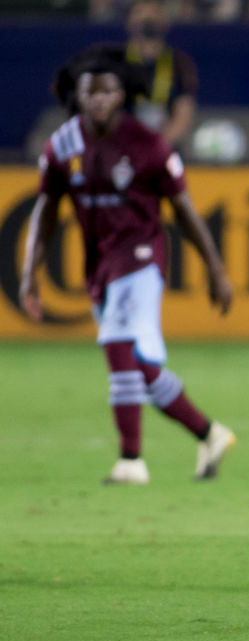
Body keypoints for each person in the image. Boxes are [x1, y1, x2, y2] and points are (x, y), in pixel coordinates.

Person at [19, 44, 235, 485]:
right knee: (138, 368)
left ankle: (131, 461)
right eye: (91, 92)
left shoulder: (148, 144)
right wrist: (29, 273)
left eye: (108, 91)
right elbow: (46, 210)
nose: (99, 100)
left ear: (123, 95)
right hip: (99, 264)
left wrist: (214, 268)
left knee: (117, 343)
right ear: (77, 96)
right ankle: (209, 434)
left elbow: (184, 210)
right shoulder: (62, 146)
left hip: (140, 257)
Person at [124, 0, 198, 147]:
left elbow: (184, 113)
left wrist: (156, 147)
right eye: (140, 13)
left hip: (165, 148)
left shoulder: (180, 63)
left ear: (165, 23)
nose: (147, 18)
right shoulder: (116, 62)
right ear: (129, 22)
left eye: (154, 13)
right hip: (124, 148)